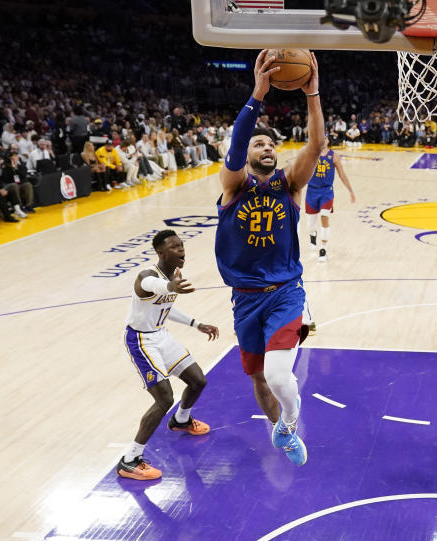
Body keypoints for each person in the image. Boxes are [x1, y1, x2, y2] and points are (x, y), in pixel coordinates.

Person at [214, 50, 323, 466]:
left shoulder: (289, 185)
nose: (267, 148)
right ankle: (281, 425)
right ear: (246, 153)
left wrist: (312, 93)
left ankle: (289, 425)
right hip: (245, 298)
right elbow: (234, 149)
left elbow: (316, 145)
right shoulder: (234, 185)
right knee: (259, 379)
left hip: (284, 293)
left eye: (272, 144)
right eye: (259, 143)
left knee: (279, 375)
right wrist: (257, 95)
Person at [117, 230, 219, 481]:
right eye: (175, 247)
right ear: (161, 253)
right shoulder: (146, 277)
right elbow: (156, 287)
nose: (182, 250)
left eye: (182, 245)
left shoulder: (174, 274)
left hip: (161, 335)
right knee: (164, 398)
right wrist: (170, 286)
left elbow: (166, 304)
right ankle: (130, 459)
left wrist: (196, 323)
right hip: (141, 341)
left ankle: (181, 420)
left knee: (198, 381)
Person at [305, 140, 356, 263]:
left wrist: (351, 191)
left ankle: (323, 249)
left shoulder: (334, 156)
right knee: (310, 225)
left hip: (326, 192)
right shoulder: (311, 154)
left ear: (328, 141)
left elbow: (342, 175)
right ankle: (313, 234)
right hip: (312, 191)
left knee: (324, 216)